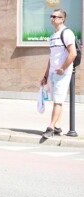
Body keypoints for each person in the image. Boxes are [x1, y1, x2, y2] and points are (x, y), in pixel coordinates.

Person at [40, 8, 77, 139]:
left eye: (55, 16)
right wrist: (45, 75)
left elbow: (73, 53)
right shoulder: (53, 36)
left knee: (58, 101)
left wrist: (63, 68)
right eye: (51, 16)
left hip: (62, 73)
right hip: (52, 72)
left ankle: (50, 128)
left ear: (62, 19)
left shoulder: (67, 33)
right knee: (56, 100)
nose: (52, 18)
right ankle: (57, 127)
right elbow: (51, 57)